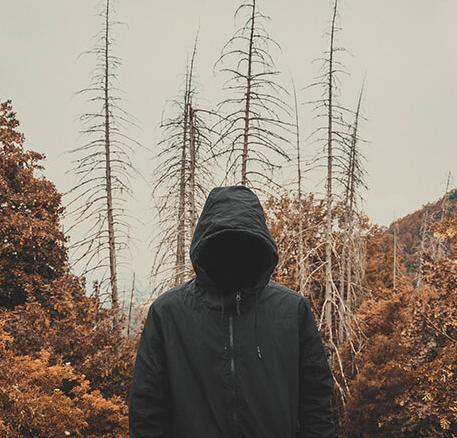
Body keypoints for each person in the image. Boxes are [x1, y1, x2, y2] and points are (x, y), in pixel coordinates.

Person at [129, 185, 336, 437]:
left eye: (242, 245)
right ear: (206, 245)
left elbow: (316, 402)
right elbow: (147, 410)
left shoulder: (291, 311)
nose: (233, 254)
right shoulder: (168, 313)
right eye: (223, 245)